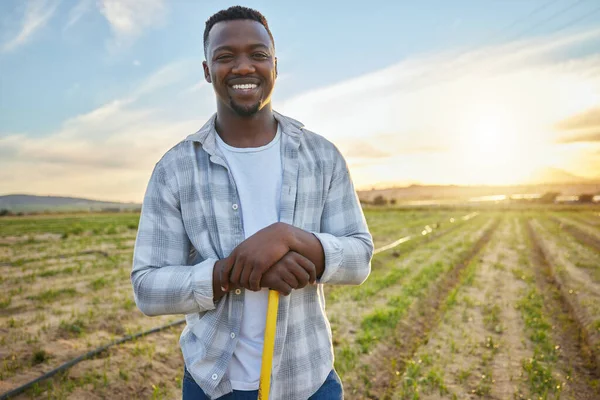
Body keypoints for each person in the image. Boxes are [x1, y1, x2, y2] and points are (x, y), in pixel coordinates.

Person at [131, 6, 373, 400]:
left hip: (309, 381)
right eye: (226, 56)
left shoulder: (322, 156)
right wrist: (231, 271)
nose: (243, 67)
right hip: (214, 385)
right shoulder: (174, 168)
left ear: (274, 65)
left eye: (258, 55)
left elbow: (360, 257)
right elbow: (147, 286)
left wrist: (290, 238)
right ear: (207, 70)